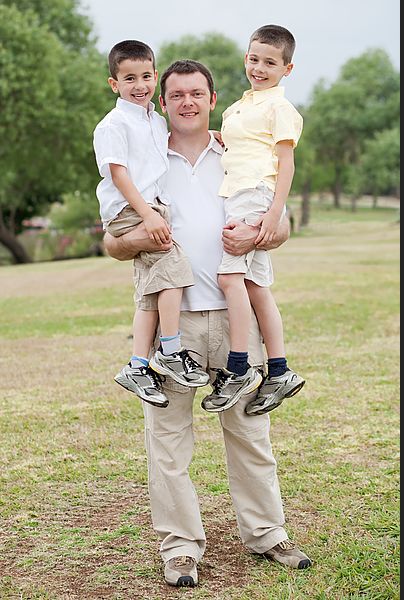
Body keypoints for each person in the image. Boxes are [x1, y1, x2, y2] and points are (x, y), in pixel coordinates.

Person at [104, 60, 312, 588]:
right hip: (173, 325)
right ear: (162, 102)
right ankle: (179, 548)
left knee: (249, 432)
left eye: (197, 93)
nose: (188, 102)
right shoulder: (145, 159)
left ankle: (266, 534)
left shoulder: (238, 151)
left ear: (213, 99)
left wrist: (258, 237)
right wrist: (141, 238)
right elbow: (111, 242)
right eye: (177, 95)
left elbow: (279, 224)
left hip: (233, 317)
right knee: (168, 441)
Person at [93, 40, 209, 408]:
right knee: (175, 268)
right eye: (129, 78)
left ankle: (138, 364)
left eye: (145, 76)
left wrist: (216, 137)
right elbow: (119, 173)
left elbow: (167, 147)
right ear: (114, 84)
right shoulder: (114, 124)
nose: (139, 84)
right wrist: (147, 214)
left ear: (154, 76)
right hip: (132, 207)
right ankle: (170, 351)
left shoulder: (154, 120)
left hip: (150, 205)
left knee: (150, 290)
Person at [201, 25, 305, 416]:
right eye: (254, 59)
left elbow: (285, 162)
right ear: (246, 57)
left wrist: (272, 216)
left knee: (229, 278)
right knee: (256, 285)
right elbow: (242, 144)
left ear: (287, 69)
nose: (259, 68)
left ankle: (240, 366)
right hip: (238, 194)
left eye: (270, 63)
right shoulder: (238, 107)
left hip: (256, 195)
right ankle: (279, 370)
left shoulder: (280, 108)